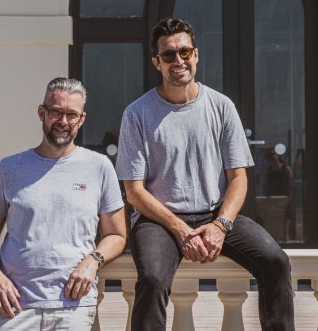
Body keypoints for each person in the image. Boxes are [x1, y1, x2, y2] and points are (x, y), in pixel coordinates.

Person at [115, 18, 295, 330]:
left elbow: (238, 177)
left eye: (185, 52)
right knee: (154, 278)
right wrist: (181, 230)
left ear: (196, 55)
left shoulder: (222, 106)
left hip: (216, 213)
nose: (178, 61)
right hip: (159, 219)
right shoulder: (137, 113)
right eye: (169, 55)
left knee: (276, 262)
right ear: (157, 62)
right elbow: (134, 192)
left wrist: (221, 225)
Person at [0, 77, 127, 331]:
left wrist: (93, 261)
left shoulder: (99, 167)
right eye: (56, 112)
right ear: (42, 112)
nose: (63, 122)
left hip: (74, 306)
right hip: (16, 307)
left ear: (81, 119)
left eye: (71, 115)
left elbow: (117, 235)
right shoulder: (9, 169)